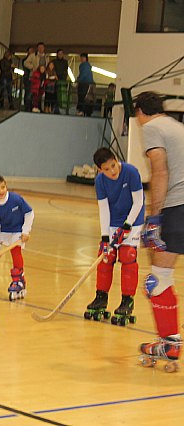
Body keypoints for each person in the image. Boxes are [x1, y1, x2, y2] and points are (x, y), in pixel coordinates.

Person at [135, 92, 184, 369]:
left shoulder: (152, 127)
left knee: (158, 279)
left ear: (140, 111)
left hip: (178, 206)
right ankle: (169, 342)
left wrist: (154, 218)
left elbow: (160, 171)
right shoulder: (178, 126)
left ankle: (169, 344)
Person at [84, 148, 145, 325]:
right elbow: (103, 209)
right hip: (113, 221)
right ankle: (101, 297)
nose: (112, 171)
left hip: (133, 220)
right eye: (107, 169)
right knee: (105, 257)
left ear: (116, 159)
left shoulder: (131, 172)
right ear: (100, 170)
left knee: (127, 257)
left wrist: (127, 225)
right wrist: (105, 238)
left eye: (113, 165)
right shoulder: (100, 182)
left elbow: (139, 202)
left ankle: (127, 301)